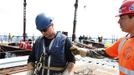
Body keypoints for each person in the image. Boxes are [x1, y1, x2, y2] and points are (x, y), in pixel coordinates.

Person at [72, 0, 134, 75]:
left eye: (122, 18)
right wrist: (82, 51)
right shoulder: (123, 41)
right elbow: (104, 53)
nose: (118, 21)